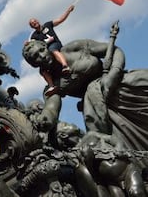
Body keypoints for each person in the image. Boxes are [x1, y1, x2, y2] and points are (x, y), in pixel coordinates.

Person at [22, 23, 148, 154]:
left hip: (121, 84)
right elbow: (51, 108)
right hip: (99, 107)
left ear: (45, 46)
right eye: (35, 57)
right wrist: (46, 118)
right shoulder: (52, 86)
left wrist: (113, 74)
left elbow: (115, 50)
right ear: (34, 64)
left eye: (41, 51)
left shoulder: (75, 47)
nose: (41, 56)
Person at [28, 5, 75, 96]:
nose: (35, 23)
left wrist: (68, 11)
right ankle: (51, 86)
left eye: (35, 21)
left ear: (38, 21)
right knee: (42, 70)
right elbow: (32, 44)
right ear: (32, 26)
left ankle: (65, 66)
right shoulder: (34, 36)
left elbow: (60, 19)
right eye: (32, 23)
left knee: (52, 49)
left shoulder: (48, 25)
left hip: (55, 45)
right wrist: (27, 44)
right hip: (46, 53)